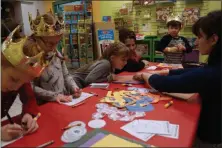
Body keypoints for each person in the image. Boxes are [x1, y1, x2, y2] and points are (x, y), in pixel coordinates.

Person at [133, 10, 221, 146]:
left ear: (214, 39)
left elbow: (168, 84)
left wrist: (146, 75)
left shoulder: (213, 73)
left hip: (209, 137)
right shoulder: (214, 66)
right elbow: (197, 71)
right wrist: (168, 72)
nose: (197, 42)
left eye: (200, 36)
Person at [1, 10, 64, 142]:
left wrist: (29, 115)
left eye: (22, 83)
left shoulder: (19, 76)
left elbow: (29, 99)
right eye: (13, 79)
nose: (15, 88)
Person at [30, 11, 81, 105]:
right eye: (50, 44)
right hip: (44, 106)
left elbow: (66, 75)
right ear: (37, 39)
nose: (54, 48)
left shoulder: (55, 53)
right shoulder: (31, 58)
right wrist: (54, 96)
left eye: (57, 43)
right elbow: (29, 87)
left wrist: (74, 87)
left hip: (63, 101)